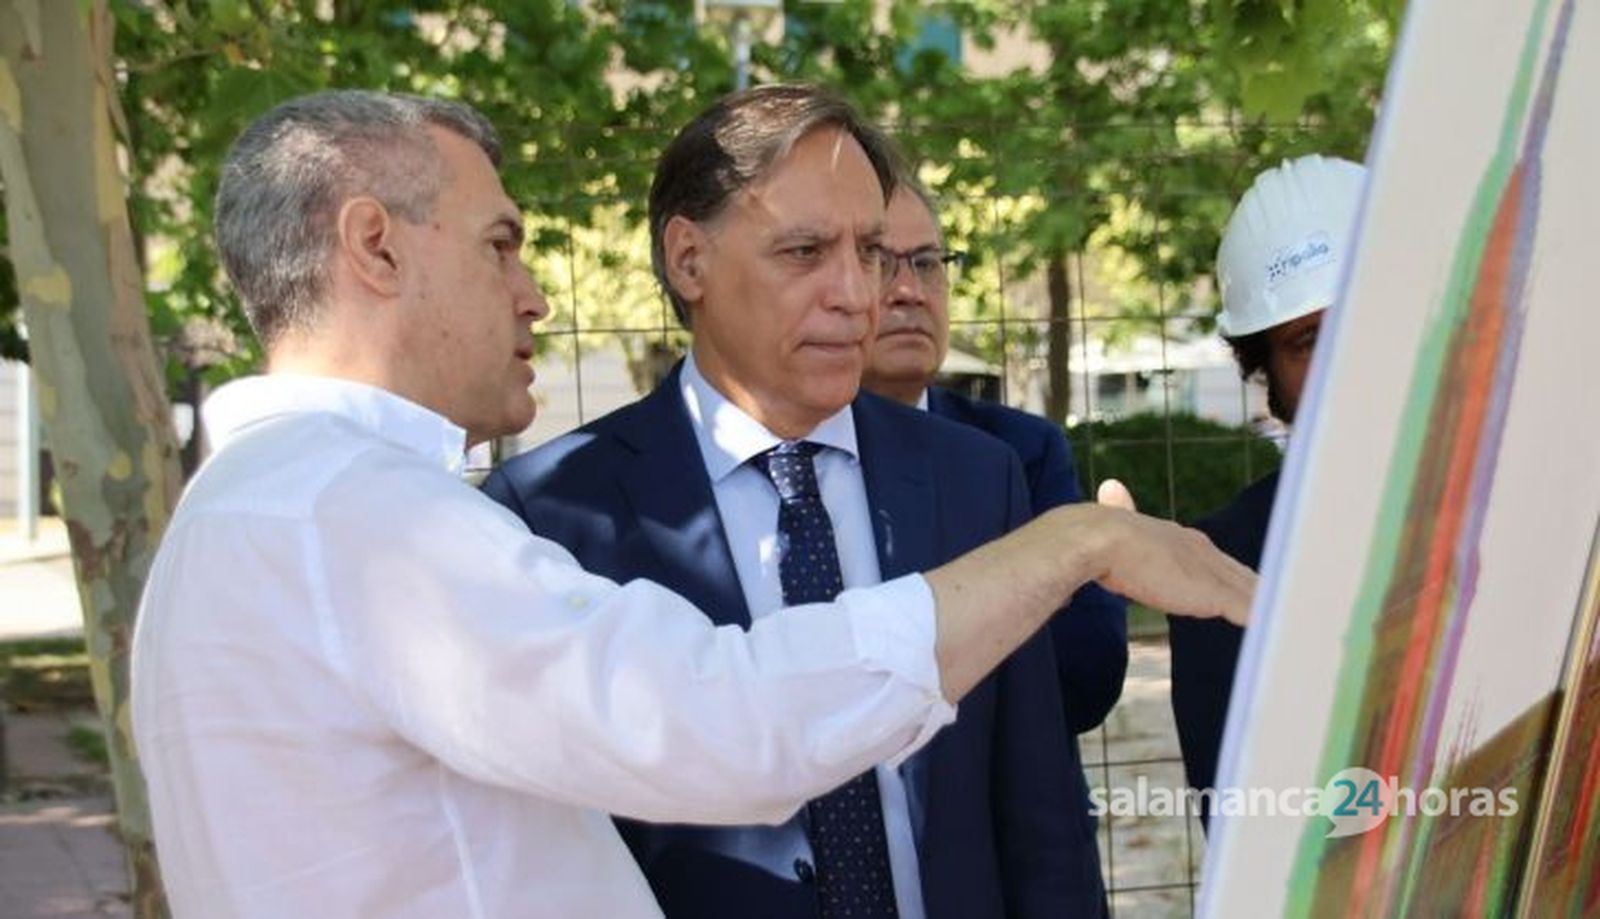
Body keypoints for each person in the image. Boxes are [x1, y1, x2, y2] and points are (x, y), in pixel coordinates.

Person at [130, 89, 1252, 919]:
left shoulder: (257, 515)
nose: (528, 290)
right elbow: (724, 726)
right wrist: (1075, 543)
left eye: (873, 251)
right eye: (501, 244)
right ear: (375, 244)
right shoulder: (361, 521)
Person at [485, 84, 1088, 919]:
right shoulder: (555, 513)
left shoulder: (976, 478)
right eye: (805, 252)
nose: (857, 293)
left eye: (872, 251)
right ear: (687, 259)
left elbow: (1040, 810)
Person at [859, 175, 1127, 913]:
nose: (909, 289)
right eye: (881, 261)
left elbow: (1082, 672)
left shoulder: (1017, 452)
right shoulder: (791, 467)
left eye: (928, 262)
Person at [1166, 154, 1367, 822]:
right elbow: (1242, 822)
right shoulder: (1223, 561)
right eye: (1308, 339)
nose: (1345, 356)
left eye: (1362, 314)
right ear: (1266, 371)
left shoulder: (1530, 509)